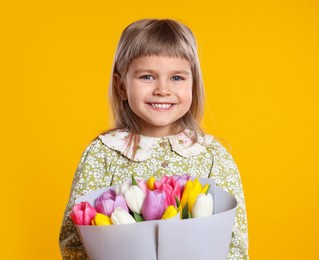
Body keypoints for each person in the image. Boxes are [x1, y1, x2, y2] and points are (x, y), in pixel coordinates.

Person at [59, 18, 248, 259]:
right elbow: (74, 240)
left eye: (177, 78)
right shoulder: (102, 154)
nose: (162, 89)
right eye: (147, 76)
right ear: (121, 87)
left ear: (194, 84)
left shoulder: (213, 157)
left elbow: (234, 242)